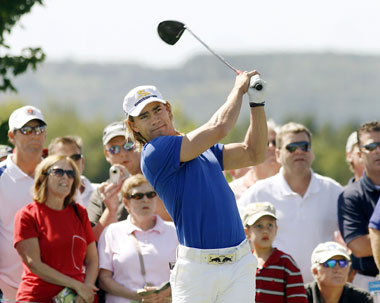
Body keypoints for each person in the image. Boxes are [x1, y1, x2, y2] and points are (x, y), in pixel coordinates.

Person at [124, 70, 267, 302]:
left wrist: (257, 102)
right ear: (135, 126)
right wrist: (238, 89)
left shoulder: (200, 147)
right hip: (198, 272)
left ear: (168, 109)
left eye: (157, 110)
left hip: (239, 264)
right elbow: (220, 127)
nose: (154, 119)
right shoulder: (154, 153)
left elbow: (254, 153)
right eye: (144, 116)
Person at [238, 122, 343, 283]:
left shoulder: (333, 191)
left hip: (322, 293)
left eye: (305, 146)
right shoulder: (258, 193)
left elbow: (353, 239)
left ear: (312, 152)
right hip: (274, 291)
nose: (299, 151)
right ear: (278, 154)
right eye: (292, 147)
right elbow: (235, 239)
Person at [13, 154, 99, 303]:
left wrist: (87, 287)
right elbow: (34, 264)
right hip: (38, 297)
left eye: (71, 174)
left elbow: (92, 259)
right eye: (58, 172)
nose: (65, 177)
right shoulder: (27, 215)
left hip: (79, 297)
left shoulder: (80, 213)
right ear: (43, 177)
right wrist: (77, 285)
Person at [98, 174, 178, 303]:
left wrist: (164, 293)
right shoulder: (111, 232)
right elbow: (103, 279)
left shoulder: (175, 232)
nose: (145, 200)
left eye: (150, 194)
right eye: (138, 196)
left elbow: (187, 273)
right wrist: (135, 296)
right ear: (125, 202)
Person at [0, 105, 47, 300]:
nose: (33, 135)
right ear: (12, 136)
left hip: (54, 290)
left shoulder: (59, 174)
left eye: (38, 130)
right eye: (26, 130)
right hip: (8, 293)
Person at [338, 121, 380, 291]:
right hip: (369, 282)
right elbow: (359, 247)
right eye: (370, 146)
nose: (378, 150)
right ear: (360, 154)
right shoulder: (350, 195)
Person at [242, 202, 308, 303]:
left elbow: (298, 299)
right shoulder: (242, 262)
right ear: (247, 232)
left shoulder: (286, 263)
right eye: (259, 226)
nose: (265, 231)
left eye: (270, 225)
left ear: (276, 229)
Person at [87, 121, 141, 240]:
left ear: (139, 145)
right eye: (114, 149)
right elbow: (91, 242)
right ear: (107, 155)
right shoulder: (101, 193)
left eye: (128, 145)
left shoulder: (157, 182)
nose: (122, 153)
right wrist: (110, 211)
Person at [229, 119, 281, 200]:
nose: (271, 147)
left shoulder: (293, 185)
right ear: (251, 149)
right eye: (264, 143)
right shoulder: (232, 191)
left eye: (275, 142)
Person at [306, 241, 373, 303]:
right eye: (330, 263)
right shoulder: (300, 296)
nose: (338, 269)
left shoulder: (362, 299)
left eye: (343, 263)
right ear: (315, 271)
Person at [49, 135, 95, 208]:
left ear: (82, 162)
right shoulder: (43, 198)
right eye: (62, 158)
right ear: (49, 164)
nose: (69, 163)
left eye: (75, 158)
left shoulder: (102, 195)